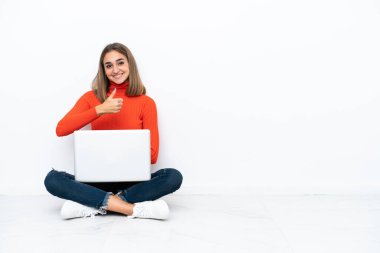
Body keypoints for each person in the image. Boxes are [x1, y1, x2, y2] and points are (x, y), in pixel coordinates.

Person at [44, 42, 183, 220]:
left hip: (133, 182)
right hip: (96, 181)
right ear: (103, 70)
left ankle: (93, 204)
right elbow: (61, 129)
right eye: (109, 65)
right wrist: (100, 110)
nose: (115, 69)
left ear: (129, 65)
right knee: (52, 179)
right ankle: (131, 208)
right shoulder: (91, 98)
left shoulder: (146, 102)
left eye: (120, 62)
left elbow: (153, 156)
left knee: (173, 176)